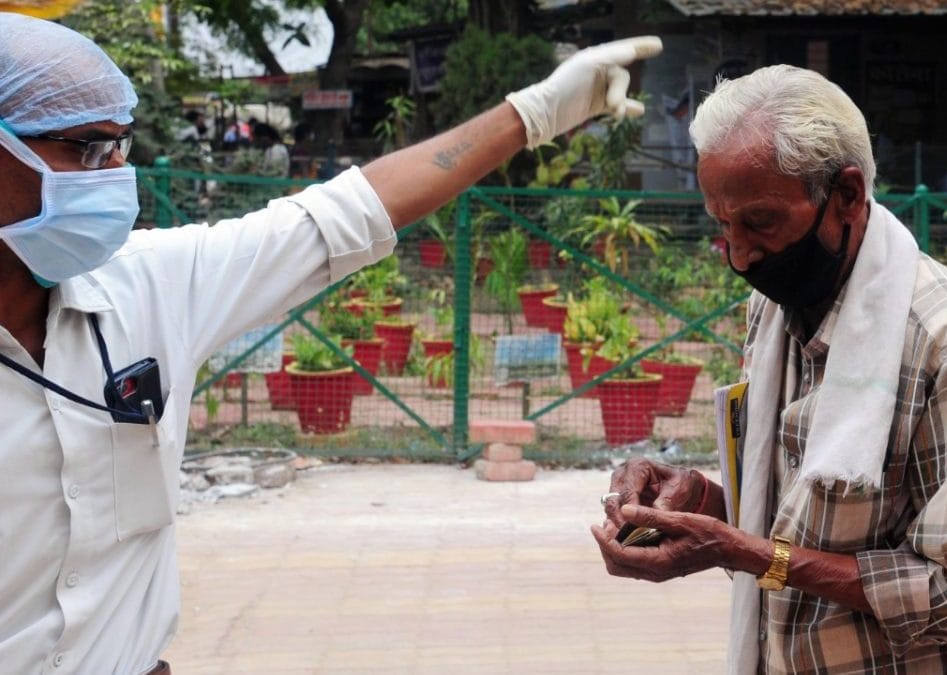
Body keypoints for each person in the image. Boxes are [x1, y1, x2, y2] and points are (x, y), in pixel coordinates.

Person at [0, 12, 660, 674]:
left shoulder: (149, 283)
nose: (114, 175)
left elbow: (345, 214)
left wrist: (532, 113)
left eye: (120, 147)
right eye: (86, 149)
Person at [592, 65, 947, 674]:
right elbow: (793, 516)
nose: (738, 254)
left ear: (845, 194)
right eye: (722, 224)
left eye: (760, 222)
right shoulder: (773, 308)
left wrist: (744, 553)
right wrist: (697, 502)